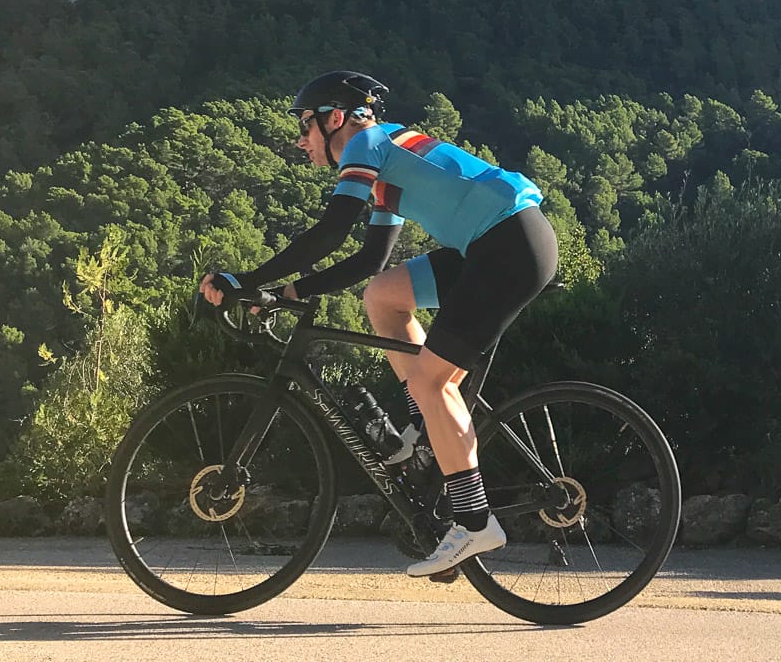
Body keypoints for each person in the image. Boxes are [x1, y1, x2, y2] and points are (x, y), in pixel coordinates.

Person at [199, 69, 558, 576]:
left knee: (434, 382)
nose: (300, 141)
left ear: (335, 118)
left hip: (509, 246)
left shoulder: (365, 144)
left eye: (305, 125)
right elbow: (370, 260)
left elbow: (330, 232)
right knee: (383, 295)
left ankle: (475, 522)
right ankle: (421, 432)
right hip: (493, 245)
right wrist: (288, 293)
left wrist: (246, 280)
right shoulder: (386, 161)